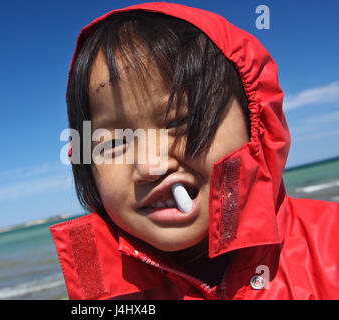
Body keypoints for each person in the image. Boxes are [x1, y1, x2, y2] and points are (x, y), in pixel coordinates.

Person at [50, 2, 339, 299]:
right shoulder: (101, 294)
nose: (151, 166)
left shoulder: (331, 247)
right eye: (113, 143)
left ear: (256, 123)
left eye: (180, 121)